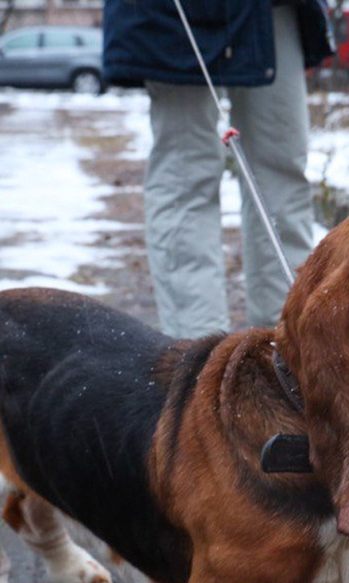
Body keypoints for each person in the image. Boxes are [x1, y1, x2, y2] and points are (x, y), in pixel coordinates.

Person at [103, 1, 335, 339]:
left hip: (273, 11)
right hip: (170, 14)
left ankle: (288, 345)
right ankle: (198, 355)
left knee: (282, 171)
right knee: (184, 177)